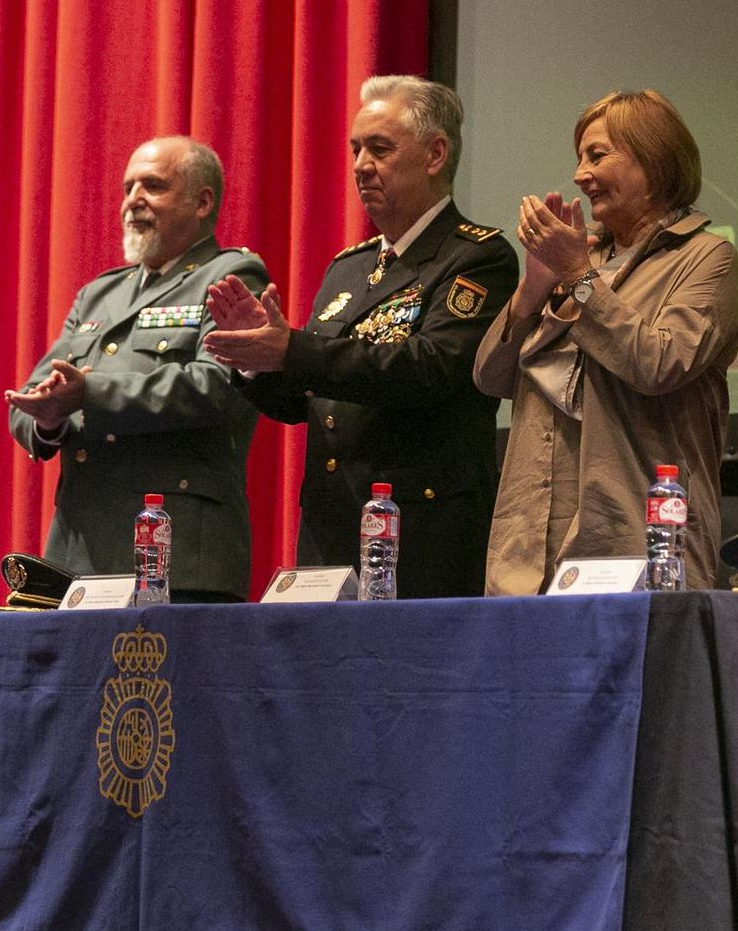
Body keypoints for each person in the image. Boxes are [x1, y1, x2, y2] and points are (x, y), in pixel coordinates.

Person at [204, 75, 516, 597]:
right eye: (355, 149)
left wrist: (293, 349)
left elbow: (431, 368)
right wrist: (259, 360)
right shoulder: (349, 268)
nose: (359, 165)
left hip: (422, 535)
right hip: (333, 530)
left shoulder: (478, 258)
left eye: (379, 148)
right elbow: (312, 400)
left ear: (436, 154)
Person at [474, 91, 738, 594]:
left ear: (654, 159)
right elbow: (489, 377)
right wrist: (532, 290)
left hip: (634, 547)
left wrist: (578, 276)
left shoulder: (708, 259)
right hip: (527, 550)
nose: (579, 175)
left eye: (597, 156)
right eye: (579, 158)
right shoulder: (580, 258)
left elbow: (660, 364)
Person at [6, 137, 267, 602]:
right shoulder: (100, 295)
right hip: (80, 553)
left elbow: (215, 387)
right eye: (128, 188)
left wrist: (88, 393)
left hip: (180, 551)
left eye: (153, 186)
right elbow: (34, 395)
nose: (133, 201)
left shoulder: (230, 276)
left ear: (202, 201)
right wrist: (47, 417)